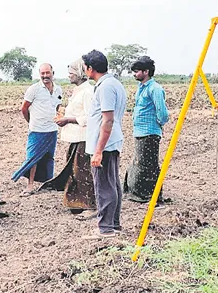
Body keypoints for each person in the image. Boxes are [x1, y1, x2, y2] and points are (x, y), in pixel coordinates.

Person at [39, 58, 96, 217]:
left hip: (83, 138)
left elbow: (90, 117)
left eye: (71, 73)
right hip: (75, 137)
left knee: (83, 172)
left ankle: (90, 206)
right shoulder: (78, 90)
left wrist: (68, 119)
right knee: (75, 171)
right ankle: (78, 203)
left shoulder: (87, 92)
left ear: (80, 73)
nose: (69, 76)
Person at [81, 49, 127, 239]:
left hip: (105, 144)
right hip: (109, 142)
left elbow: (107, 120)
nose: (84, 70)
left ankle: (106, 228)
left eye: (85, 67)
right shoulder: (111, 83)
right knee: (112, 184)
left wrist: (98, 150)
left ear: (91, 68)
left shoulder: (106, 87)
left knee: (104, 186)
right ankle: (112, 225)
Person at [124, 56, 170, 208]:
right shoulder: (141, 88)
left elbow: (162, 113)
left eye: (137, 71)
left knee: (149, 166)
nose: (135, 74)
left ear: (146, 71)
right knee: (141, 164)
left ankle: (154, 197)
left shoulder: (155, 89)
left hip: (149, 132)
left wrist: (157, 125)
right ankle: (141, 195)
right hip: (140, 132)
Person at [12, 63, 63, 196]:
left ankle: (48, 182)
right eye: (43, 73)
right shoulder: (33, 89)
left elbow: (57, 107)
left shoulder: (58, 89)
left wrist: (59, 116)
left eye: (48, 73)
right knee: (33, 158)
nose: (45, 76)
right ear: (39, 74)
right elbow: (24, 108)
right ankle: (30, 186)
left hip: (52, 129)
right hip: (37, 130)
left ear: (53, 73)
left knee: (49, 158)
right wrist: (31, 122)